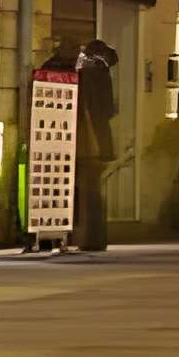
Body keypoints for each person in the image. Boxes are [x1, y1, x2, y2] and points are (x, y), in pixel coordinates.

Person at [72, 39, 118, 254]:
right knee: (94, 191)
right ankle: (95, 238)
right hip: (100, 140)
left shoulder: (90, 74)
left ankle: (90, 238)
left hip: (89, 140)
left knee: (89, 191)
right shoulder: (103, 73)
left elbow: (86, 108)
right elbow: (108, 110)